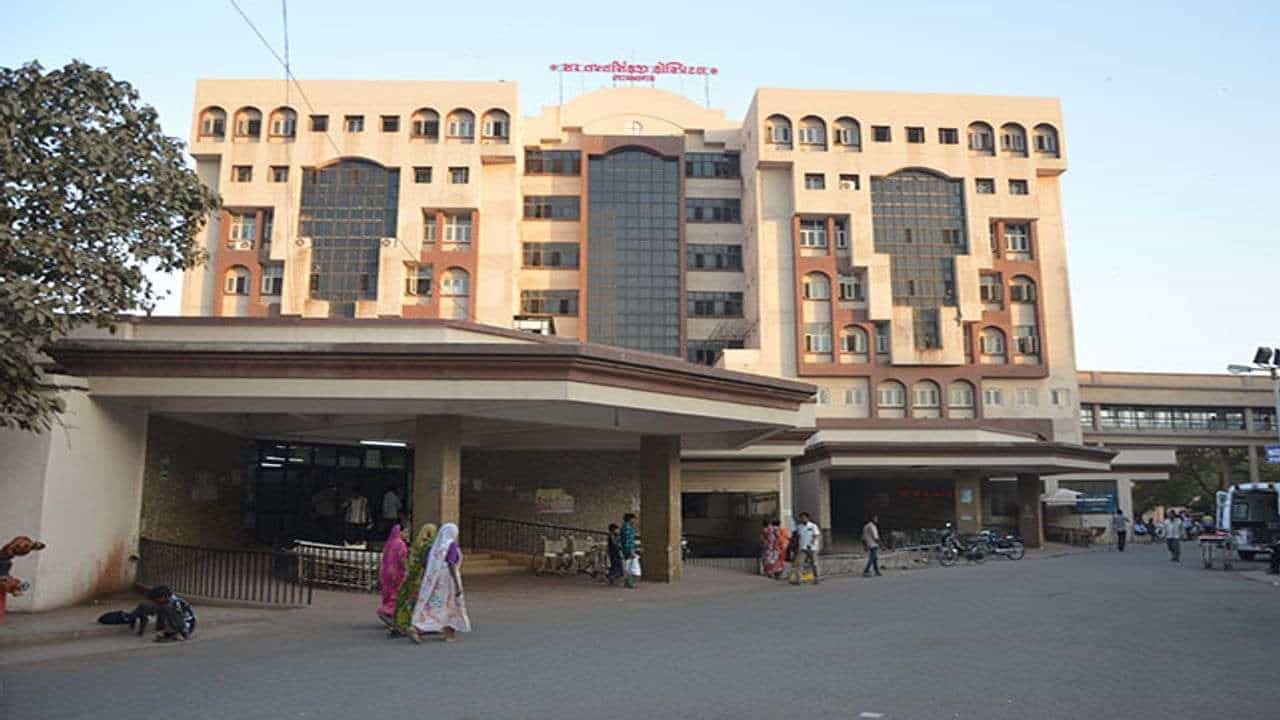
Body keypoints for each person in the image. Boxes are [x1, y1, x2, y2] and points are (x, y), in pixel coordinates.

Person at [408, 522, 470, 643]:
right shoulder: (451, 546)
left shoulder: (437, 546)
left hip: (437, 579)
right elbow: (451, 564)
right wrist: (457, 585)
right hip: (448, 579)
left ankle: (417, 627)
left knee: (435, 605)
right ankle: (448, 632)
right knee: (451, 604)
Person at [393, 522, 437, 634]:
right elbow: (427, 564)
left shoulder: (416, 544)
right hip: (421, 577)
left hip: (411, 576)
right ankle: (415, 625)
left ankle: (400, 623)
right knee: (418, 601)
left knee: (406, 599)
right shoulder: (429, 546)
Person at [377, 523, 408, 630]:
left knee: (389, 593)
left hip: (386, 574)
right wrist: (407, 569)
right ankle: (386, 612)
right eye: (405, 532)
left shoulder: (389, 543)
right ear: (400, 532)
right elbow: (402, 559)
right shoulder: (401, 544)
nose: (407, 534)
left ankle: (391, 617)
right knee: (397, 594)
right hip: (397, 574)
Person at [790, 512, 821, 585]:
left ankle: (817, 578)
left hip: (812, 548)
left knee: (814, 563)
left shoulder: (813, 526)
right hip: (802, 548)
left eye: (804, 517)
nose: (802, 519)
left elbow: (816, 535)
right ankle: (798, 579)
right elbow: (796, 535)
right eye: (801, 518)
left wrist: (811, 543)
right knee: (799, 563)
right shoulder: (799, 526)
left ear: (808, 518)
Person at [620, 513, 639, 589]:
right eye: (634, 519)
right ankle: (628, 582)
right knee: (629, 566)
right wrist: (631, 550)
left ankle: (627, 582)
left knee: (628, 566)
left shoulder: (627, 527)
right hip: (628, 550)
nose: (635, 521)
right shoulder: (627, 528)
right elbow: (627, 540)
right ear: (630, 519)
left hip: (627, 549)